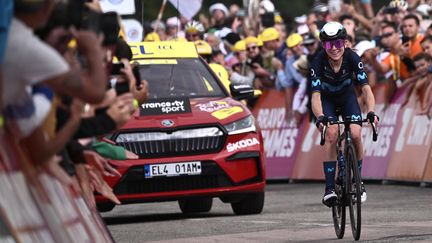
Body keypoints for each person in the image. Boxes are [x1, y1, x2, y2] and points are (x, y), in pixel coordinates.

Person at [310, 22, 378, 206]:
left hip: (348, 98)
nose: (334, 48)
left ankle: (358, 181)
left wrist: (371, 111)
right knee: (331, 134)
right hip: (327, 101)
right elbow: (315, 97)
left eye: (338, 43)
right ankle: (330, 188)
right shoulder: (317, 62)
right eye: (328, 44)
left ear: (345, 43)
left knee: (356, 134)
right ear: (323, 46)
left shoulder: (353, 58)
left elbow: (366, 89)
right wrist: (320, 117)